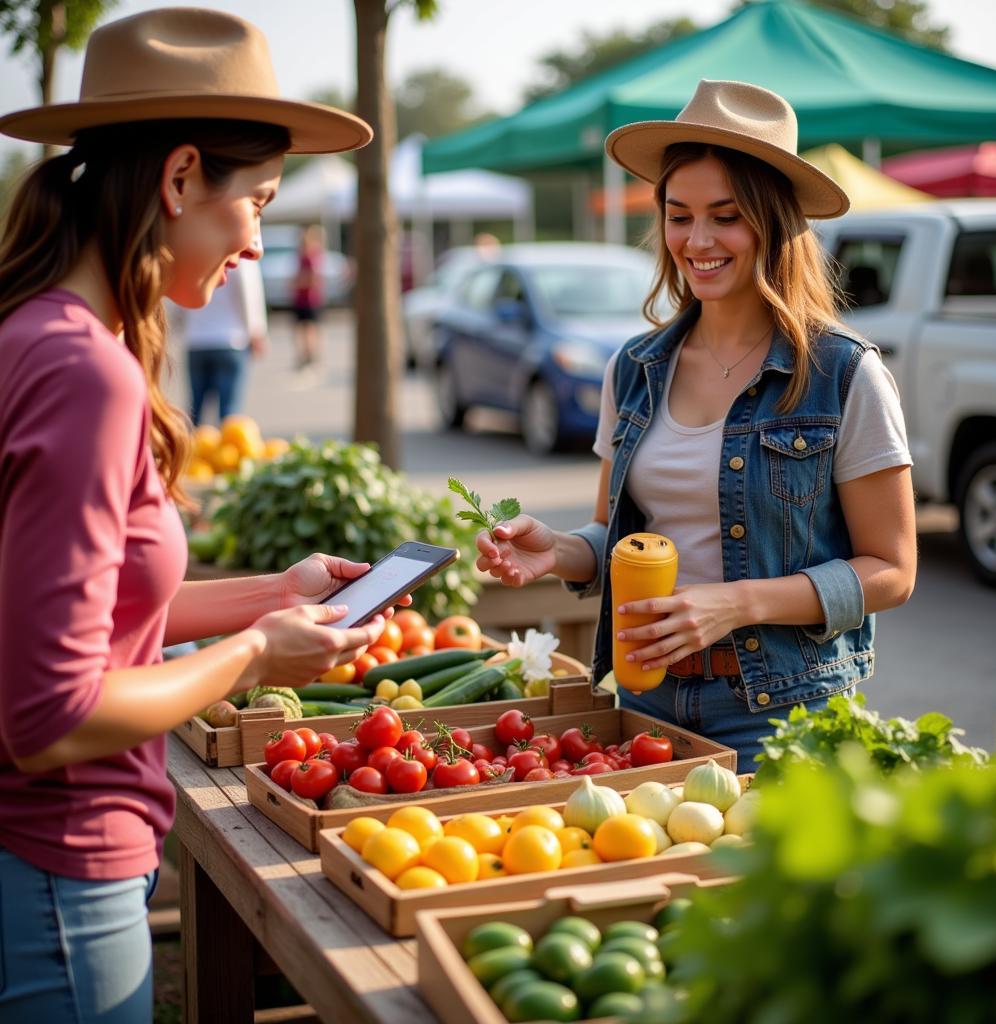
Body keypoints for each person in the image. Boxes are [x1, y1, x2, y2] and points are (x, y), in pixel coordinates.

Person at [0, 10, 398, 1022]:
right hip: (59, 867)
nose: (260, 244)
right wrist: (256, 653)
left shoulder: (39, 331)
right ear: (179, 181)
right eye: (255, 202)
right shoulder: (81, 369)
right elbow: (51, 717)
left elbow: (75, 615)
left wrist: (276, 593)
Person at [476, 80, 917, 773]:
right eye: (679, 216)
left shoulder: (843, 373)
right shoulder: (634, 367)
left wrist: (735, 605)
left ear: (773, 223)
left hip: (782, 712)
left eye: (726, 216)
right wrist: (556, 550)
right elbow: (616, 536)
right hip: (646, 699)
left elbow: (892, 571)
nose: (698, 240)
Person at [175, 256, 267, 425]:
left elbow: (179, 301)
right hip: (231, 341)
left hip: (196, 341)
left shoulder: (192, 256)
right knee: (229, 412)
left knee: (195, 410)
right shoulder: (240, 257)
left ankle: (189, 450)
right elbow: (249, 296)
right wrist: (255, 331)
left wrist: (184, 326)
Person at [291, 223, 326, 370]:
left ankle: (310, 353)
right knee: (303, 328)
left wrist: (298, 282)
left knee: (310, 328)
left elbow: (313, 278)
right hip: (301, 299)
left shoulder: (311, 256)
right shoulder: (302, 256)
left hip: (310, 299)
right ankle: (306, 353)